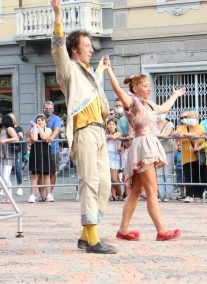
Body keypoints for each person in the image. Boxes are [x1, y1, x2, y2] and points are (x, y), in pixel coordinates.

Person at [51, 0, 116, 254]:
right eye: (87, 46)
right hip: (84, 131)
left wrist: (102, 67)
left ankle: (85, 234)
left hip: (100, 131)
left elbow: (94, 85)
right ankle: (92, 238)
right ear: (75, 50)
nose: (91, 49)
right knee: (89, 182)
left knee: (105, 184)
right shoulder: (68, 71)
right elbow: (58, 48)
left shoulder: (88, 73)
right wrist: (58, 15)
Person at [105, 57, 185, 241]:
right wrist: (109, 69)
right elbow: (117, 89)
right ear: (135, 88)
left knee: (135, 192)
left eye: (149, 85)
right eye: (145, 85)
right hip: (143, 146)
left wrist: (175, 95)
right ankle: (161, 231)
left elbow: (164, 108)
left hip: (148, 144)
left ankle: (123, 230)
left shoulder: (148, 104)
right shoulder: (132, 101)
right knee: (152, 191)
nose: (149, 88)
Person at [173, 111, 205, 202]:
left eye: (193, 117)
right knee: (188, 176)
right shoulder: (182, 127)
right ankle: (189, 195)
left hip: (197, 156)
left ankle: (198, 195)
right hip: (186, 157)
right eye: (189, 117)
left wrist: (184, 134)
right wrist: (177, 134)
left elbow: (197, 134)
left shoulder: (199, 127)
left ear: (197, 118)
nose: (191, 119)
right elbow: (174, 134)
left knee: (197, 175)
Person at [41, 100, 62, 202]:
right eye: (46, 108)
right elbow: (31, 128)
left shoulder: (57, 118)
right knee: (41, 172)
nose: (48, 110)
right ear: (43, 109)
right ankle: (42, 194)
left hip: (54, 149)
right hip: (41, 149)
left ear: (53, 109)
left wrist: (51, 137)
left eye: (50, 109)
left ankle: (49, 193)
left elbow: (57, 129)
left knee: (52, 172)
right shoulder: (39, 117)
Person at [28, 114, 52, 203]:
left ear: (45, 121)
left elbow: (44, 137)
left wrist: (40, 128)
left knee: (46, 175)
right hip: (35, 153)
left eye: (42, 120)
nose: (40, 122)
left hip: (45, 153)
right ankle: (32, 195)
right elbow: (34, 138)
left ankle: (49, 194)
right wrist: (35, 127)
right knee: (34, 176)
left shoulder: (48, 129)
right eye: (38, 120)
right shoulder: (32, 129)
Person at [0, 115, 19, 203]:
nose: (0, 121)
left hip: (8, 154)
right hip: (0, 154)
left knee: (6, 177)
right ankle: (5, 195)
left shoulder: (9, 128)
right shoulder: (2, 129)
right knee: (3, 177)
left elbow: (16, 138)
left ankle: (9, 195)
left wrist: (5, 141)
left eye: (1, 120)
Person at [156, 112, 174, 202]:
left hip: (167, 151)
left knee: (167, 174)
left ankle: (168, 195)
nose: (159, 115)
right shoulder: (154, 124)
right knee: (159, 175)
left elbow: (167, 134)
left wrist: (154, 134)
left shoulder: (169, 124)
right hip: (157, 152)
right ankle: (161, 195)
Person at [106, 118, 123, 201]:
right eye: (109, 124)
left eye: (113, 124)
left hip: (115, 157)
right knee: (109, 178)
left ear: (116, 125)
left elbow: (115, 136)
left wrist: (109, 137)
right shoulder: (104, 134)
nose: (111, 126)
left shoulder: (118, 133)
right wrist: (109, 137)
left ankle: (120, 193)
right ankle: (113, 195)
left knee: (114, 178)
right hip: (106, 157)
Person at [8, 113, 24, 196]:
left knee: (18, 169)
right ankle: (6, 187)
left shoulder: (18, 127)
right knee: (6, 170)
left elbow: (21, 137)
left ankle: (20, 186)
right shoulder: (6, 128)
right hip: (7, 150)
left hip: (17, 150)